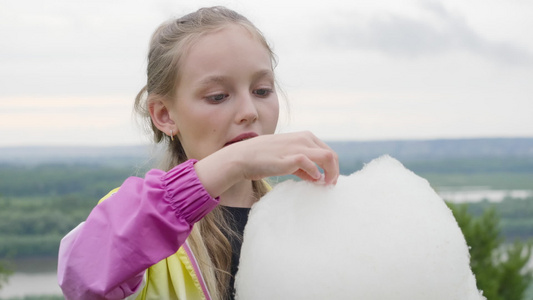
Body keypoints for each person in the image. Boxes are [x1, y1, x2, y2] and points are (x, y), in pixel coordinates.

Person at [57, 6, 339, 300]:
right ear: (165, 114)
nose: (249, 111)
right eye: (218, 96)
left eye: (262, 90)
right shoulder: (134, 216)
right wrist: (233, 161)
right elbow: (81, 279)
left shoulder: (297, 214)